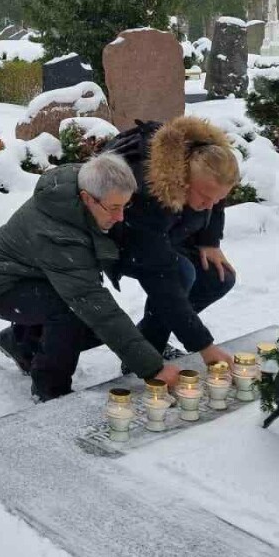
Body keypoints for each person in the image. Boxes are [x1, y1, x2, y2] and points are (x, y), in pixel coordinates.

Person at [0, 153, 184, 401]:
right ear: (86, 198)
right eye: (114, 208)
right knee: (74, 314)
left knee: (91, 325)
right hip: (1, 286)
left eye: (124, 206)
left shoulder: (87, 190)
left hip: (36, 275)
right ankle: (50, 391)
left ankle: (21, 344)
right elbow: (92, 303)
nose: (120, 217)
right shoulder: (58, 234)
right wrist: (153, 369)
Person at [103, 116, 241, 371]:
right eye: (204, 197)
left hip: (167, 232)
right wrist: (204, 345)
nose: (209, 206)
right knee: (179, 275)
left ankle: (148, 340)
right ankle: (146, 357)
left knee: (218, 276)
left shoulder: (208, 168)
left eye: (217, 198)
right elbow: (161, 278)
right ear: (182, 179)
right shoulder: (147, 190)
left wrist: (209, 241)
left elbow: (215, 198)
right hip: (121, 237)